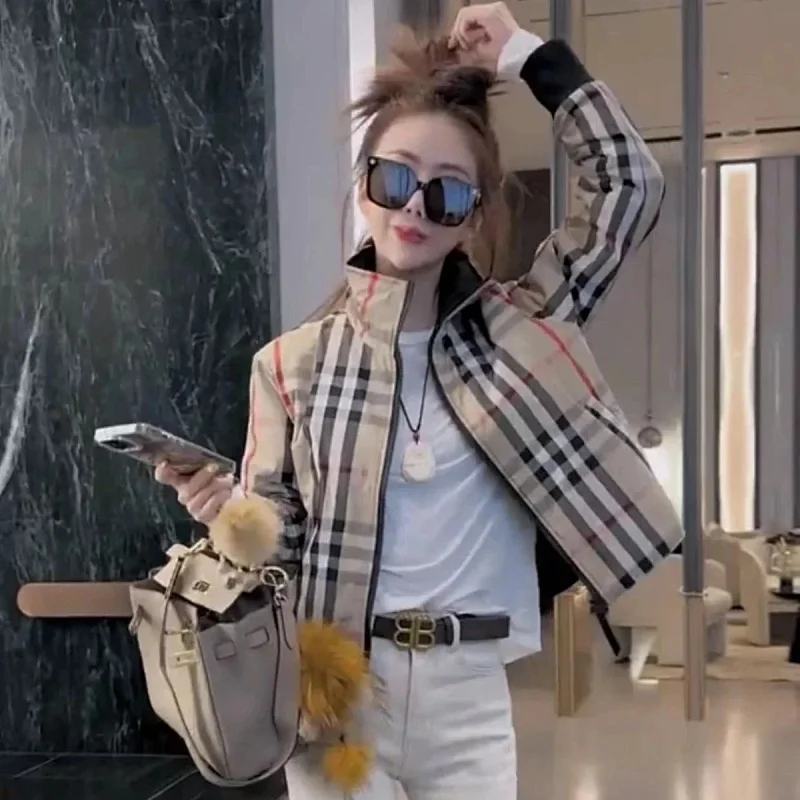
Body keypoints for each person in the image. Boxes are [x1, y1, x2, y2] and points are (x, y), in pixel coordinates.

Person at [156, 3, 683, 798]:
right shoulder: (290, 365)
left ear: (473, 216)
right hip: (338, 697)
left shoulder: (523, 328)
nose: (414, 207)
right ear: (365, 187)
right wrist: (223, 508)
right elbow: (277, 550)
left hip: (471, 694)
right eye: (396, 178)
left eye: (446, 193)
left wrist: (528, 55)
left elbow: (630, 186)